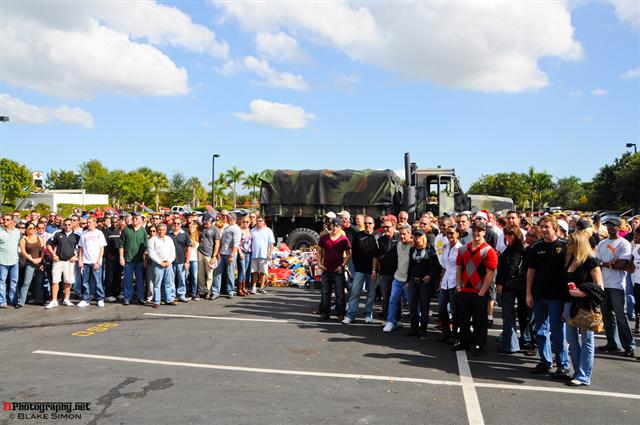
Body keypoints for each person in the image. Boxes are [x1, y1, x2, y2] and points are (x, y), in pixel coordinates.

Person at [526, 215, 571, 377]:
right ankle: (545, 361)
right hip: (539, 295)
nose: (544, 230)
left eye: (547, 227)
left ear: (555, 228)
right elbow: (531, 271)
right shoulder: (536, 246)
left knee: (558, 332)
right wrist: (528, 293)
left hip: (557, 297)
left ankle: (563, 364)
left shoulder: (565, 246)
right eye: (542, 227)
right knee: (540, 331)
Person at [564, 231, 605, 386]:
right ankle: (578, 371)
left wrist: (581, 293)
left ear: (579, 244)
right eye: (568, 242)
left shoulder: (590, 261)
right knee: (571, 339)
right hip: (569, 304)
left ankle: (583, 376)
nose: (568, 245)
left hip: (586, 305)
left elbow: (600, 288)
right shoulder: (570, 259)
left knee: (587, 340)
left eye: (570, 243)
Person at [453, 221, 498, 355]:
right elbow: (459, 268)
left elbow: (490, 273)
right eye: (474, 230)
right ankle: (464, 342)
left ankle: (479, 345)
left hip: (479, 292)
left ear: (484, 232)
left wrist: (482, 291)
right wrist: (459, 285)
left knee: (480, 321)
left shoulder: (489, 250)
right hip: (465, 290)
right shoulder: (463, 249)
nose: (476, 233)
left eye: (479, 230)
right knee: (463, 319)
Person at [595, 217, 635, 357]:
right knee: (606, 315)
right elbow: (595, 261)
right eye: (608, 225)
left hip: (618, 285)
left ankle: (629, 346)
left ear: (619, 227)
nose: (610, 228)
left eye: (613, 225)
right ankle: (612, 343)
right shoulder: (602, 243)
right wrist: (608, 264)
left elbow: (622, 264)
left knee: (620, 316)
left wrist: (604, 263)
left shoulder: (624, 244)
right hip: (603, 284)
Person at [496, 224, 527, 353]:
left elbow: (511, 268)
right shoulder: (514, 247)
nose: (508, 236)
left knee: (508, 315)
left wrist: (501, 283)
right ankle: (516, 343)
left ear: (516, 235)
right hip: (515, 285)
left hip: (510, 285)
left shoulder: (516, 249)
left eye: (511, 234)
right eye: (506, 234)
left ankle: (511, 345)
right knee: (515, 315)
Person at [343, 216, 379, 324]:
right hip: (359, 269)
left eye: (370, 223)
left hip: (373, 271)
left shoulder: (377, 236)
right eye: (366, 223)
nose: (367, 225)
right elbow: (353, 252)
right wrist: (356, 266)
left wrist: (375, 269)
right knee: (355, 292)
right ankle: (351, 315)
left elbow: (377, 254)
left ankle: (368, 315)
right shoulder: (358, 235)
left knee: (371, 294)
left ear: (373, 224)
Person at [406, 228, 442, 338]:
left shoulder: (430, 249)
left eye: (419, 236)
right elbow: (410, 266)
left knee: (424, 306)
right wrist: (408, 280)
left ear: (424, 237)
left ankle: (423, 331)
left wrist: (430, 276)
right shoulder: (412, 249)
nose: (417, 238)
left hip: (425, 282)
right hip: (413, 281)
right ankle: (414, 329)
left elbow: (437, 266)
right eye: (415, 236)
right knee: (412, 305)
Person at [317, 217, 352, 321]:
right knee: (325, 293)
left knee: (340, 293)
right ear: (330, 226)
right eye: (333, 225)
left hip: (338, 271)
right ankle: (325, 313)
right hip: (326, 270)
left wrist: (342, 265)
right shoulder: (324, 238)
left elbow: (349, 254)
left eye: (337, 226)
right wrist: (319, 263)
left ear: (340, 227)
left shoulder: (343, 239)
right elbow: (319, 251)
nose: (335, 227)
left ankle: (340, 313)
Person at [383, 224, 413, 332]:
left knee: (412, 303)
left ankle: (416, 324)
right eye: (400, 234)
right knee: (393, 301)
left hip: (408, 281)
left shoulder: (414, 245)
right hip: (397, 278)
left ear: (410, 234)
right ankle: (390, 322)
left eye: (404, 234)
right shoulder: (399, 244)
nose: (402, 236)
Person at [45, 218, 80, 309]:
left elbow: (81, 248)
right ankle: (54, 301)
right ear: (63, 225)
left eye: (69, 224)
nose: (67, 226)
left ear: (72, 225)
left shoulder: (77, 236)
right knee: (55, 281)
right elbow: (48, 244)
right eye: (65, 225)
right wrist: (53, 254)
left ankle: (66, 299)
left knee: (68, 281)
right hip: (58, 261)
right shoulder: (57, 234)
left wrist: (75, 256)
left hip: (70, 262)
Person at [77, 216, 107, 308]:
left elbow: (101, 249)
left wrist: (98, 262)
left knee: (98, 281)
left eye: (90, 222)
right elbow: (81, 248)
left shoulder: (99, 233)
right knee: (85, 282)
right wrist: (80, 260)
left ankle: (100, 298)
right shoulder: (84, 233)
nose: (88, 224)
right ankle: (85, 299)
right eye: (87, 222)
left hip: (95, 261)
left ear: (95, 223)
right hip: (86, 261)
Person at [119, 212, 148, 305]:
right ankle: (127, 298)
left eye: (136, 218)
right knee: (128, 280)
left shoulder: (143, 230)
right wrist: (121, 257)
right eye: (133, 218)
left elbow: (146, 247)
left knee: (140, 280)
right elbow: (121, 245)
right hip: (128, 259)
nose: (134, 220)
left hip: (139, 260)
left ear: (141, 220)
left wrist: (145, 260)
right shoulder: (126, 229)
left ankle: (140, 298)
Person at [438, 226, 461, 343]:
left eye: (451, 233)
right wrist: (441, 280)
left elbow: (462, 268)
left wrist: (460, 284)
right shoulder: (446, 246)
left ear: (457, 234)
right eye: (447, 233)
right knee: (441, 309)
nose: (449, 236)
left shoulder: (461, 249)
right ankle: (446, 332)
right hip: (445, 281)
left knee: (455, 310)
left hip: (455, 282)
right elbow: (444, 266)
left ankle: (455, 334)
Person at [16, 223, 45, 307]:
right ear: (26, 229)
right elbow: (23, 252)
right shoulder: (23, 240)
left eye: (33, 228)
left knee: (39, 282)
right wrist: (32, 260)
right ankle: (21, 302)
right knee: (26, 282)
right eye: (30, 228)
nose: (32, 230)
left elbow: (43, 250)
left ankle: (38, 299)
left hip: (39, 262)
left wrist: (40, 259)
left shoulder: (39, 238)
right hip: (29, 263)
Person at [147, 223, 177, 308]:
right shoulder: (152, 240)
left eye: (163, 230)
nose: (161, 231)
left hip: (168, 264)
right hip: (157, 264)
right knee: (157, 284)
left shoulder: (169, 239)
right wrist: (160, 262)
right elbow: (151, 253)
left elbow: (173, 251)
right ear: (157, 230)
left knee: (169, 282)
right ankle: (157, 301)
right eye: (159, 230)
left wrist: (170, 261)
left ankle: (169, 299)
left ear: (165, 230)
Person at [214, 212, 242, 299]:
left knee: (230, 273)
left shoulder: (236, 229)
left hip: (230, 254)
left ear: (233, 219)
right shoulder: (227, 227)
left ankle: (230, 291)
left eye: (229, 218)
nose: (227, 219)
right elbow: (222, 241)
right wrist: (219, 252)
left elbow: (236, 244)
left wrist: (232, 256)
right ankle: (215, 291)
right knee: (218, 272)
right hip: (222, 253)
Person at [377, 216, 398, 321]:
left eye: (387, 227)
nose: (385, 229)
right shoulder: (380, 240)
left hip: (397, 273)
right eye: (383, 227)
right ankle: (386, 318)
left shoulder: (400, 238)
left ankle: (397, 318)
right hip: (384, 272)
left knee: (396, 297)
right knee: (385, 296)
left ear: (393, 227)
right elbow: (377, 255)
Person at [0, 214, 22, 308]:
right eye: (4, 219)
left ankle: (13, 300)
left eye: (8, 219)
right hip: (2, 260)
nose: (5, 221)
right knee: (2, 282)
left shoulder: (17, 231)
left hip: (14, 260)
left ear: (12, 221)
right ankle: (2, 301)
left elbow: (20, 244)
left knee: (14, 282)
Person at [250, 215, 275, 294]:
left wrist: (270, 254)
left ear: (263, 221)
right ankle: (254, 287)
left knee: (263, 272)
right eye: (257, 221)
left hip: (264, 255)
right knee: (254, 272)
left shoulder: (268, 231)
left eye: (260, 221)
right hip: (254, 255)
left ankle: (261, 287)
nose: (258, 222)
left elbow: (271, 244)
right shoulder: (252, 231)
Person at [168, 218, 191, 303]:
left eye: (178, 223)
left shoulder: (185, 234)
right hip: (170, 261)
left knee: (182, 280)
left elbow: (188, 248)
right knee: (171, 280)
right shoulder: (168, 234)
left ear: (181, 224)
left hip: (181, 261)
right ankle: (172, 295)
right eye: (175, 223)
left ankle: (181, 295)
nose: (176, 225)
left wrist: (187, 261)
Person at [198, 213, 220, 299]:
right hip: (200, 252)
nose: (205, 223)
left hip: (209, 254)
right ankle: (201, 291)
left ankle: (208, 291)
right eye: (204, 221)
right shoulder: (201, 228)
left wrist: (214, 256)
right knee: (200, 274)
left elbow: (217, 243)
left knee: (210, 274)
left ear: (211, 221)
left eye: (206, 222)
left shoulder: (215, 229)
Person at [236, 216, 252, 296]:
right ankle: (239, 289)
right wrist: (240, 253)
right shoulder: (240, 230)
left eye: (247, 222)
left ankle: (243, 287)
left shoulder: (249, 230)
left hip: (248, 252)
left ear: (249, 223)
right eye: (244, 221)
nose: (245, 223)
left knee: (245, 271)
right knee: (242, 270)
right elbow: (237, 243)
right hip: (242, 252)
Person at [186, 221, 200, 300]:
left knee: (194, 276)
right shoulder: (186, 236)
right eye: (190, 227)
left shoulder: (198, 236)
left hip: (195, 259)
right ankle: (187, 292)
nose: (191, 228)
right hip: (187, 259)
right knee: (186, 276)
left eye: (193, 227)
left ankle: (194, 293)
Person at [630, 227, 640, 333]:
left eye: (636, 235)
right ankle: (638, 324)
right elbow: (631, 267)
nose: (634, 238)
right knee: (638, 304)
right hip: (637, 282)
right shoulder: (635, 251)